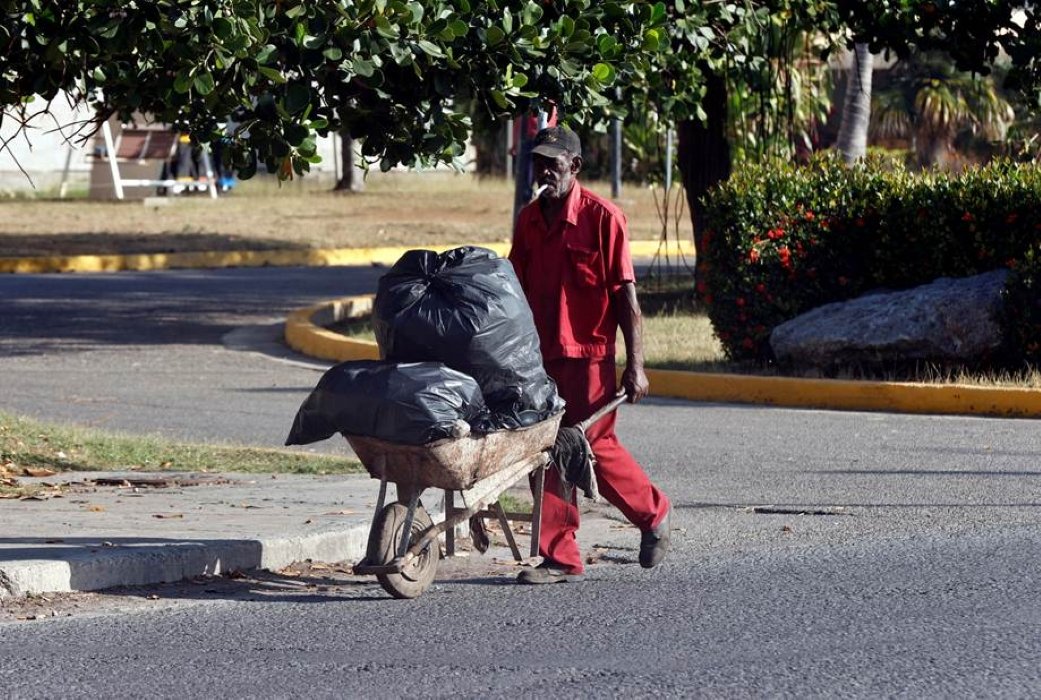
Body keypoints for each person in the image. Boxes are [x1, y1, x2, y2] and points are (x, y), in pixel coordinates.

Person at [508, 126, 672, 584]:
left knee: (592, 447)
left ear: (574, 166)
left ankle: (654, 514)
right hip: (539, 357)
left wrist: (635, 365)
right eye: (538, 163)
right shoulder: (528, 220)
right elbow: (514, 291)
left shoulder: (604, 218)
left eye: (553, 163)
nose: (544, 172)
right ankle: (560, 555)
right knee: (544, 448)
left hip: (589, 358)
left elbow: (626, 300)